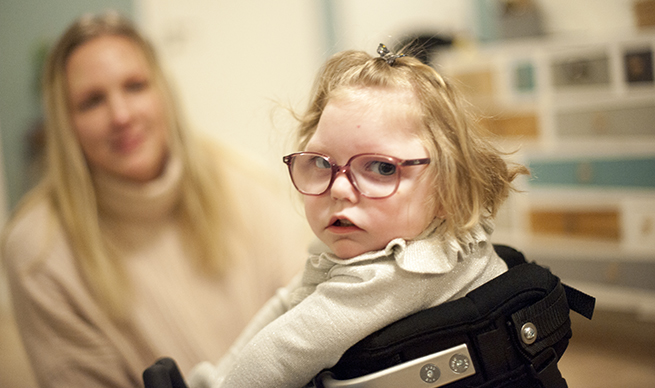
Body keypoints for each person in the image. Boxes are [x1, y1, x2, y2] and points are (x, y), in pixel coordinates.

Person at [182, 44, 529, 388]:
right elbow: (285, 304)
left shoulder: (405, 272)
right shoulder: (379, 240)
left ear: (447, 192)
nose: (339, 189)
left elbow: (281, 352)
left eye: (380, 167)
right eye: (321, 163)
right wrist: (210, 379)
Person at [1, 11, 310, 388]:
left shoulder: (244, 182)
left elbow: (309, 317)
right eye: (92, 101)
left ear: (163, 92)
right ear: (65, 123)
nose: (121, 115)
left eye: (135, 86)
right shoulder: (38, 251)